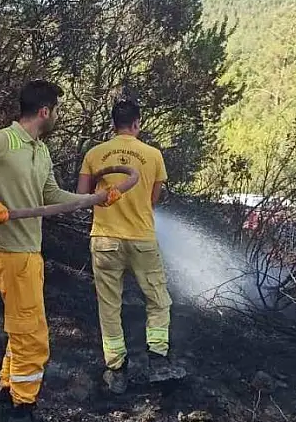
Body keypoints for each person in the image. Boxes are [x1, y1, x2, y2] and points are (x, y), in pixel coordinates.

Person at [0, 80, 121, 422]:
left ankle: (6, 399)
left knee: (21, 330)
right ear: (44, 111)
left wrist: (94, 200)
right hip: (8, 251)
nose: (57, 116)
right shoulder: (4, 140)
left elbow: (51, 195)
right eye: (56, 110)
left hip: (28, 253)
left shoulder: (40, 150)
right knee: (34, 337)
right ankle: (23, 408)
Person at [77, 98, 182, 395]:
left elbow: (82, 196)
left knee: (109, 305)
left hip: (104, 241)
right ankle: (158, 360)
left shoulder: (95, 154)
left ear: (113, 125)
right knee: (158, 299)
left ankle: (116, 370)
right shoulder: (153, 155)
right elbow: (153, 199)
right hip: (141, 239)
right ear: (137, 124)